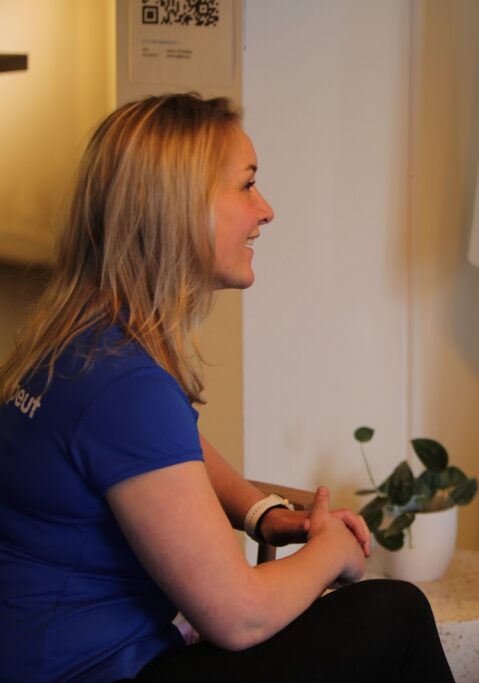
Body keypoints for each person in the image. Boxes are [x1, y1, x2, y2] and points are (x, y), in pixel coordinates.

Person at [0, 93, 455, 683]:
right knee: (395, 613)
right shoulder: (125, 388)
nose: (265, 210)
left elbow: (168, 451)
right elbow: (238, 617)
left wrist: (257, 510)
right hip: (89, 673)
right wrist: (330, 552)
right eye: (245, 186)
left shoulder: (82, 343)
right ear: (178, 209)